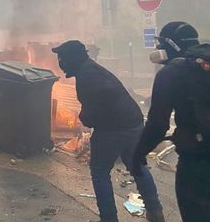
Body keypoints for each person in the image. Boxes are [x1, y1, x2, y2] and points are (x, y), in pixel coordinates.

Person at [52, 40, 164, 222]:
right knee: (138, 167)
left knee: (99, 172)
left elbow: (103, 96)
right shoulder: (91, 69)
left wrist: (87, 117)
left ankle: (109, 218)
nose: (61, 63)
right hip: (133, 123)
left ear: (72, 59)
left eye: (62, 58)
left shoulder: (88, 75)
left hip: (113, 130)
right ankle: (155, 210)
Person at [133, 22, 209, 222]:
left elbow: (158, 124)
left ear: (171, 46)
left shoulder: (172, 73)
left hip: (197, 162)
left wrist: (138, 154)